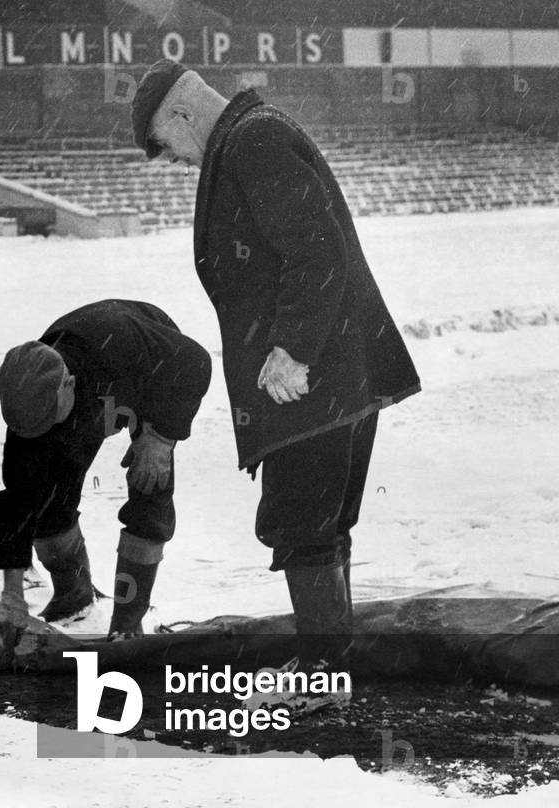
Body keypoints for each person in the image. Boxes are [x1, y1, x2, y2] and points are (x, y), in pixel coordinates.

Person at [130, 61, 421, 711]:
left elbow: (316, 250)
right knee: (318, 524)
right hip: (337, 376)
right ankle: (330, 667)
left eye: (169, 146)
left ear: (180, 115)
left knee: (302, 525)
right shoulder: (252, 133)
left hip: (313, 381)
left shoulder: (252, 140)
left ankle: (320, 674)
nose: (177, 162)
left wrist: (292, 351)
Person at [0, 299, 212, 641]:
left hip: (149, 375)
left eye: (50, 421)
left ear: (70, 384)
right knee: (45, 497)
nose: (43, 432)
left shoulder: (123, 352)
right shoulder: (29, 398)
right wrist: (12, 593)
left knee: (149, 485)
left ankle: (128, 619)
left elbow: (196, 362)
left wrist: (160, 437)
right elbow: (18, 501)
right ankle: (72, 595)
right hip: (92, 391)